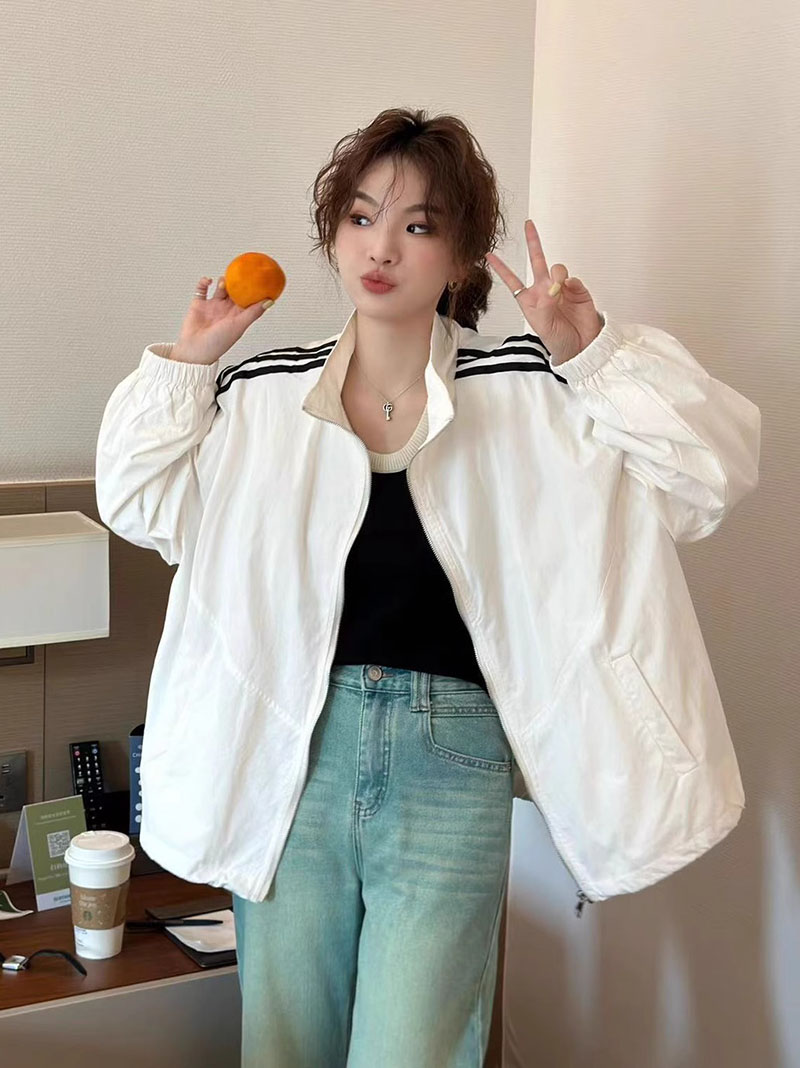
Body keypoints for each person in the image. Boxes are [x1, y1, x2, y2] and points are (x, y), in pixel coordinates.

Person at [95, 107, 761, 1067]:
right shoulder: (260, 394)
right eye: (362, 217)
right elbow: (135, 503)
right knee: (285, 1047)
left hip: (453, 757)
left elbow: (713, 474)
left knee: (415, 1051)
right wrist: (190, 364)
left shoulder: (534, 389)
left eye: (418, 225)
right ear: (333, 234)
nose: (382, 248)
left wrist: (594, 353)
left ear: (460, 257)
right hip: (291, 751)